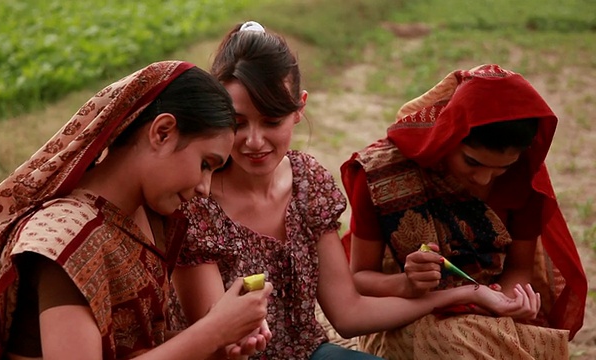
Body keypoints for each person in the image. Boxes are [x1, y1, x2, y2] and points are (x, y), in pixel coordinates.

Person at [166, 23, 541, 360]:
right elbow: (216, 343)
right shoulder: (198, 201)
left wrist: (466, 293)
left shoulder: (307, 181)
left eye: (272, 121)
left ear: (300, 109)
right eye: (237, 122)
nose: (254, 140)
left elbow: (348, 314)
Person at [0, 61, 274, 360]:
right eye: (206, 164)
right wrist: (212, 330)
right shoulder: (64, 238)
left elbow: (127, 348)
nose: (205, 187)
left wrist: (221, 342)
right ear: (162, 132)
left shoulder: (145, 221)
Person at [341, 64, 588, 359]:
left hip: (491, 313)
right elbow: (359, 277)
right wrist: (408, 282)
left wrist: (508, 300)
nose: (484, 179)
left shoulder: (523, 177)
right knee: (457, 341)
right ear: (448, 136)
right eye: (472, 163)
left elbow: (519, 268)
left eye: (502, 168)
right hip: (404, 314)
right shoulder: (382, 173)